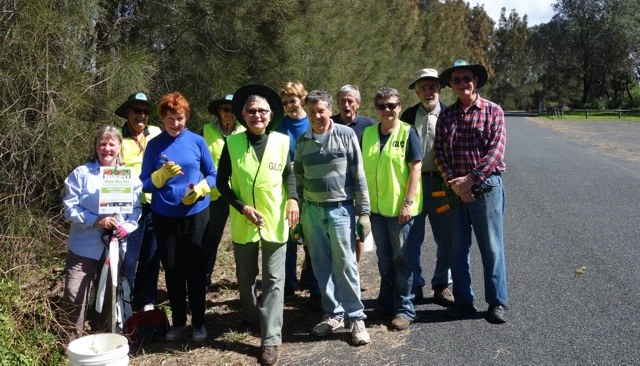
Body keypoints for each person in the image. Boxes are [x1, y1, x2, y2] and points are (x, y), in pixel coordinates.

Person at [216, 84, 299, 366]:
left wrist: (293, 200)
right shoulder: (233, 143)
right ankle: (251, 316)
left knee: (275, 280)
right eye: (251, 111)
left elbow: (290, 176)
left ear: (271, 114)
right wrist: (241, 207)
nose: (257, 115)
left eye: (262, 111)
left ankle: (271, 338)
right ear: (242, 114)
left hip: (275, 219)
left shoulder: (282, 141)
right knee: (245, 278)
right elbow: (221, 184)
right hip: (243, 221)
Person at [434, 59, 509, 323]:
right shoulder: (446, 115)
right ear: (451, 86)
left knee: (491, 248)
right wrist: (455, 182)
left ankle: (497, 302)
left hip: (487, 189)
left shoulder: (493, 111)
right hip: (456, 192)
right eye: (456, 80)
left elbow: (495, 151)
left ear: (475, 81)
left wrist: (471, 180)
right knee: (457, 248)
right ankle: (464, 301)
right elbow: (439, 153)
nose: (462, 83)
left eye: (467, 78)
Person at [294, 90, 371, 346]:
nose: (317, 116)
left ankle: (356, 317)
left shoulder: (346, 134)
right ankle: (333, 313)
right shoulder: (302, 141)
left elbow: (358, 176)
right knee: (321, 265)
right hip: (312, 212)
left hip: (341, 210)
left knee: (346, 264)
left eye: (322, 111)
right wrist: (300, 216)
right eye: (312, 111)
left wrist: (364, 213)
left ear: (330, 111)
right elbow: (299, 180)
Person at [140, 92, 216, 341]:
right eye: (170, 118)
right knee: (173, 269)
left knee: (195, 268)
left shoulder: (197, 141)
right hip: (165, 216)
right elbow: (145, 184)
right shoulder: (154, 145)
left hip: (196, 213)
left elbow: (213, 175)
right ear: (162, 118)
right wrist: (160, 176)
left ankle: (199, 323)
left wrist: (201, 190)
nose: (175, 124)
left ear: (187, 117)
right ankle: (179, 322)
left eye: (180, 118)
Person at [62, 126, 142, 340]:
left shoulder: (130, 177)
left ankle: (103, 341)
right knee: (73, 294)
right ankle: (71, 343)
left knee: (108, 296)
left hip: (114, 247)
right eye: (102, 144)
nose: (106, 148)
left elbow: (135, 211)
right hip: (83, 245)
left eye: (111, 143)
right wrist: (95, 221)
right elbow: (69, 209)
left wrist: (125, 228)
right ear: (96, 147)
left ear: (119, 147)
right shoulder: (81, 174)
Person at [362, 87, 423, 330]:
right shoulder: (367, 134)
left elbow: (415, 169)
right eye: (382, 106)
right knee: (384, 260)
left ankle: (405, 308)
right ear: (376, 109)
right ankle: (385, 303)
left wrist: (408, 202)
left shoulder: (408, 132)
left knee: (403, 259)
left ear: (399, 107)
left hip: (401, 210)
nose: (387, 110)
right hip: (376, 210)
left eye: (392, 105)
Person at [400, 69, 455, 306]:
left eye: (432, 87)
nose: (428, 92)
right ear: (416, 91)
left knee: (446, 238)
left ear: (440, 89)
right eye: (423, 87)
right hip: (415, 183)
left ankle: (442, 285)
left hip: (442, 184)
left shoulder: (450, 114)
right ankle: (416, 285)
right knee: (412, 237)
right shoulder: (408, 115)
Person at [275, 81, 321, 311]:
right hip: (288, 188)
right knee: (290, 235)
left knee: (312, 237)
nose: (289, 106)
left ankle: (314, 286)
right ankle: (288, 284)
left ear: (302, 98)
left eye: (293, 101)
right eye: (285, 103)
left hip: (312, 186)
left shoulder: (312, 121)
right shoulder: (279, 126)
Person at [116, 92, 162, 312]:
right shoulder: (117, 137)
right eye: (136, 110)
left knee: (152, 255)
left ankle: (146, 301)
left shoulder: (156, 132)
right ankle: (125, 301)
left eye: (145, 111)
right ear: (127, 113)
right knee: (128, 258)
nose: (141, 115)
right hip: (129, 207)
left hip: (156, 204)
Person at [202, 94, 245, 292]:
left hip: (237, 193)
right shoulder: (206, 130)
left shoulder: (245, 131)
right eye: (225, 109)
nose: (229, 114)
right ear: (219, 111)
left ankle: (243, 282)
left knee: (242, 238)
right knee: (211, 238)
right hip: (215, 194)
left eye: (233, 110)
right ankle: (204, 279)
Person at [331, 84, 375, 266]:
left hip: (358, 184)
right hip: (334, 186)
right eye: (342, 101)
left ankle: (354, 270)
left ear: (358, 104)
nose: (346, 105)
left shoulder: (369, 125)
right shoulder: (329, 123)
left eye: (350, 101)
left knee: (358, 232)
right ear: (337, 103)